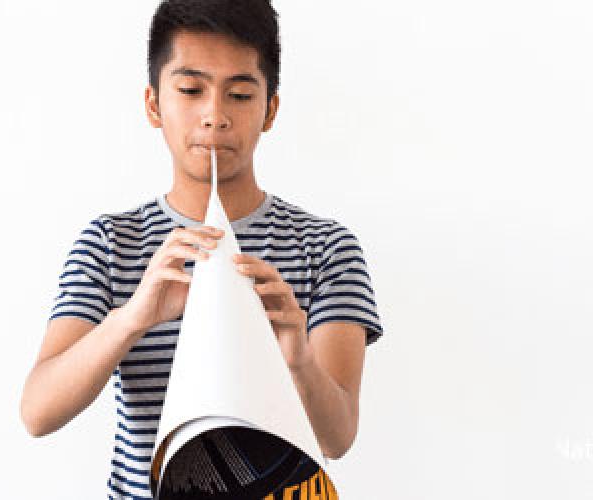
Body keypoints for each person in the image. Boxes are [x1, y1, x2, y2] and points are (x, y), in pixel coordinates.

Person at [20, 1, 385, 498]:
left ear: (270, 110)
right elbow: (37, 413)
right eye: (191, 90)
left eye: (238, 94)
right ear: (154, 104)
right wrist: (133, 317)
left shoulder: (324, 247)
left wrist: (297, 355)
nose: (214, 116)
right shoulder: (110, 242)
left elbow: (337, 438)